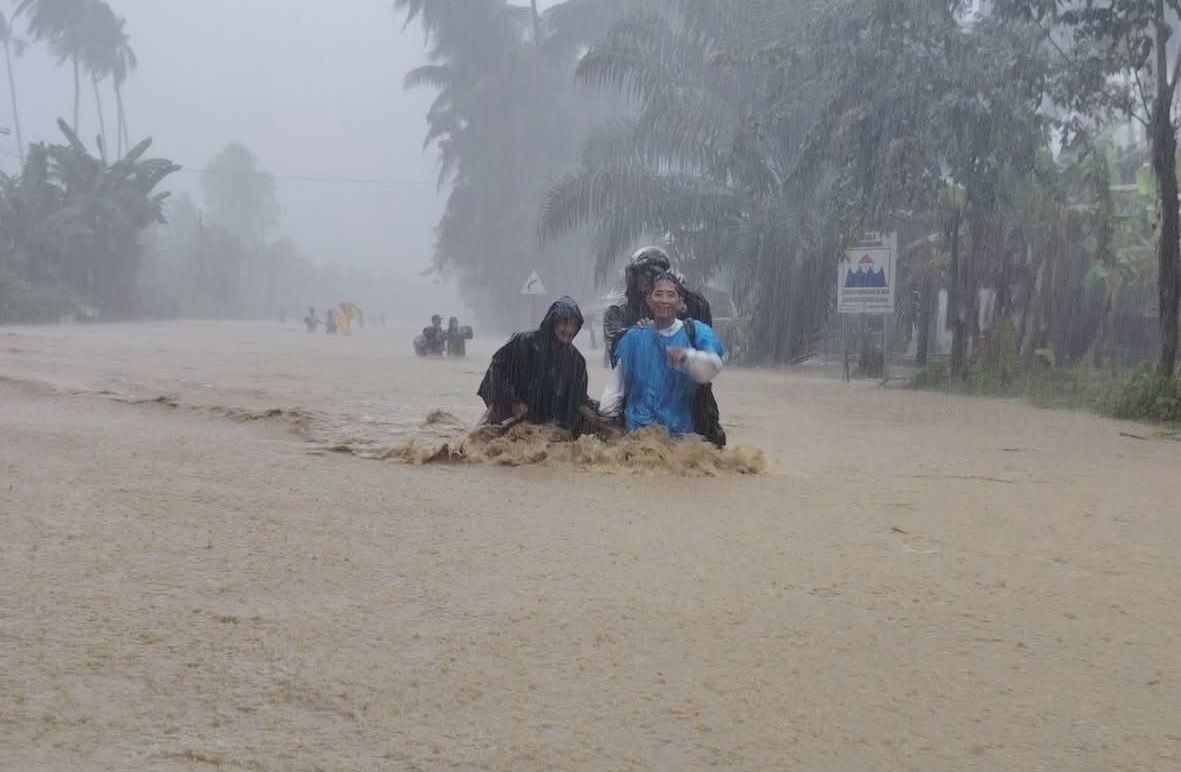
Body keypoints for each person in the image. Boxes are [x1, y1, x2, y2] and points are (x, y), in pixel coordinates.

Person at [599, 272, 724, 439]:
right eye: (658, 294)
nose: (664, 300)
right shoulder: (632, 338)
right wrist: (607, 422)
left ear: (680, 302)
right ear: (649, 300)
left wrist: (687, 357)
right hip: (637, 436)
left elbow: (713, 366)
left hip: (682, 437)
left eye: (670, 295)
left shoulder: (696, 332)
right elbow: (616, 387)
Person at [477, 296, 592, 434]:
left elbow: (577, 400)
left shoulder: (576, 361)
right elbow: (496, 371)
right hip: (508, 408)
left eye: (573, 325)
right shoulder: (523, 341)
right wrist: (513, 401)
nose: (569, 330)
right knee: (483, 436)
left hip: (542, 421)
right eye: (564, 323)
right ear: (553, 322)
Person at [603, 246, 713, 367]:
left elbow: (704, 352)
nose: (644, 282)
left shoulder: (682, 309)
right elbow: (619, 354)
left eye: (649, 276)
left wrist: (683, 294)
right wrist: (643, 333)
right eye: (640, 276)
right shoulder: (618, 314)